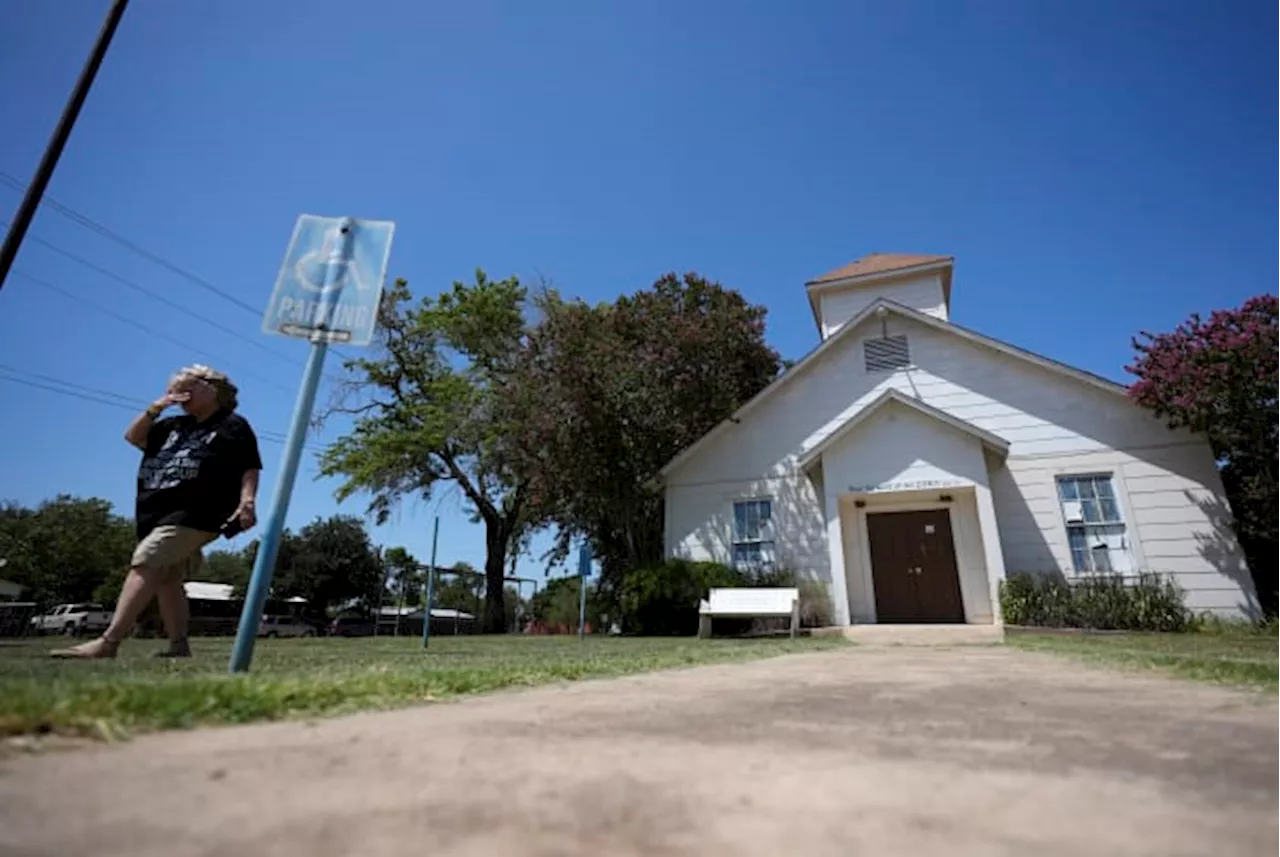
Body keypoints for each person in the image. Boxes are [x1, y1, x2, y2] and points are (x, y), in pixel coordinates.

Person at [54, 365, 262, 659]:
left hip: (198, 512)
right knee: (166, 578)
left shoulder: (231, 425)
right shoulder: (171, 427)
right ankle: (179, 646)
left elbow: (249, 466)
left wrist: (247, 501)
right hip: (156, 512)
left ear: (211, 390)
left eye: (188, 390)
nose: (180, 396)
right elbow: (133, 437)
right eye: (176, 391)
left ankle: (108, 642)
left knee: (147, 560)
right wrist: (155, 409)